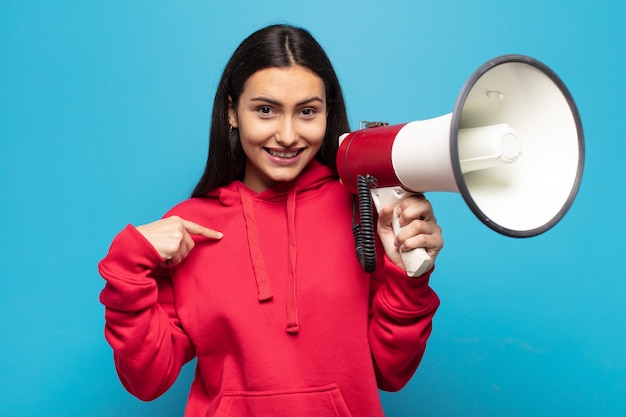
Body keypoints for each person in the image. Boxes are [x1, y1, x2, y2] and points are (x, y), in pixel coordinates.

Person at [98, 23, 443, 417]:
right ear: (232, 111)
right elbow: (148, 380)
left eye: (307, 112)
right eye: (266, 110)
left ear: (328, 114)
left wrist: (409, 277)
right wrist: (127, 265)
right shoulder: (188, 228)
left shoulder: (364, 210)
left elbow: (391, 372)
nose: (287, 134)